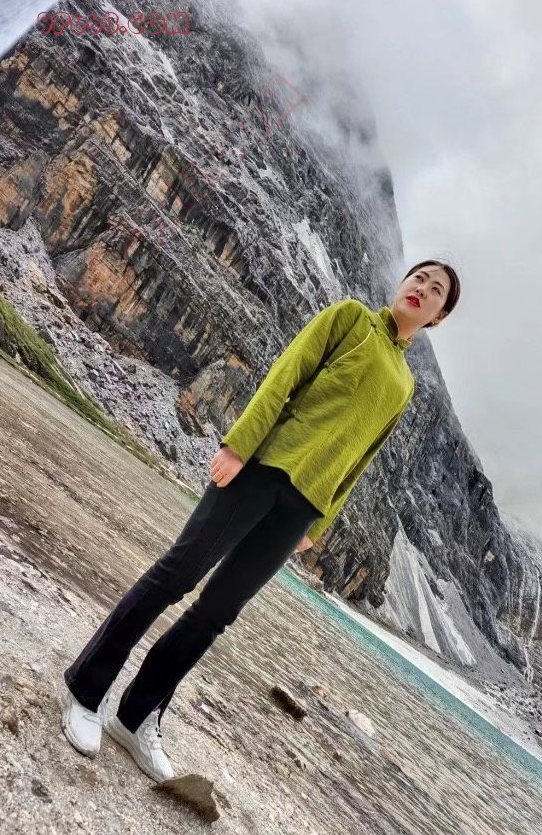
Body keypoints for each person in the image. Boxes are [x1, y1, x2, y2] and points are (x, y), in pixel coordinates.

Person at [60, 259, 461, 781]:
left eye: (436, 291)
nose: (422, 289)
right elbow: (286, 374)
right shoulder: (351, 318)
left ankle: (135, 718)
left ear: (438, 317)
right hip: (263, 467)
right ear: (403, 283)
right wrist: (239, 445)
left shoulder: (403, 384)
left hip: (303, 506)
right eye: (418, 278)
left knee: (216, 613)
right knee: (177, 575)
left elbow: (362, 457)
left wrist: (320, 522)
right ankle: (86, 690)